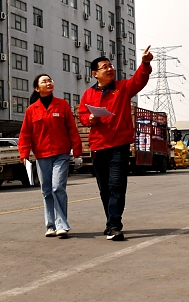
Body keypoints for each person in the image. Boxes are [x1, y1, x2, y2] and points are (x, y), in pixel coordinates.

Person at [78, 46, 153, 241]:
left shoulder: (123, 88)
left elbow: (139, 80)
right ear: (95, 74)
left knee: (117, 185)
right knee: (104, 188)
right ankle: (110, 222)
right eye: (105, 67)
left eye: (110, 66)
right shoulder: (88, 94)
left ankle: (114, 225)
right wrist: (90, 119)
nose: (110, 69)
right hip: (98, 146)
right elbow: (83, 115)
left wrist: (145, 63)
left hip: (119, 145)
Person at [17, 73, 83, 238]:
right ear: (37, 88)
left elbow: (72, 128)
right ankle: (51, 225)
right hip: (42, 155)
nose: (48, 83)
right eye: (44, 81)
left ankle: (62, 225)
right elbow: (25, 134)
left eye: (50, 80)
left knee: (57, 187)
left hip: (61, 153)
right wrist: (24, 154)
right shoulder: (32, 110)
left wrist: (77, 150)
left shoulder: (62, 105)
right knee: (46, 191)